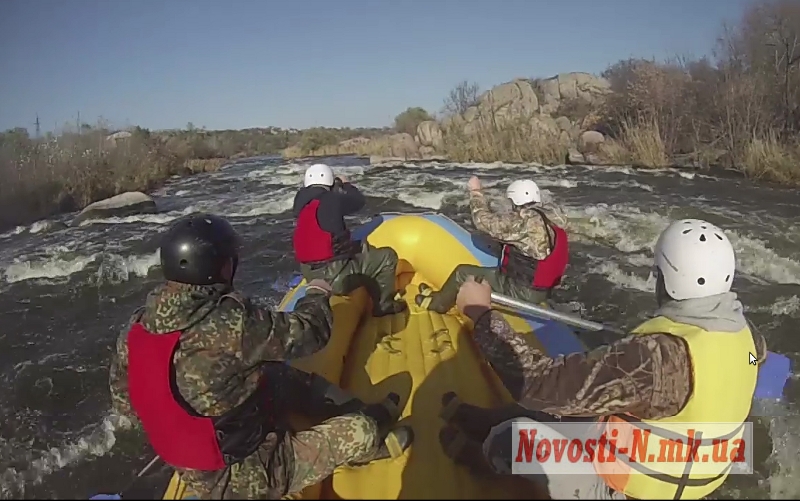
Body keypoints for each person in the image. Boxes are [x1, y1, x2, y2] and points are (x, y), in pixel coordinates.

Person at [438, 219, 766, 500]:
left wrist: (481, 316)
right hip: (681, 472)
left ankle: (479, 459)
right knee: (565, 409)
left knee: (515, 437)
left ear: (666, 279)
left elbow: (536, 383)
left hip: (628, 490)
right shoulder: (749, 337)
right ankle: (483, 421)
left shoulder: (655, 358)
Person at [108, 213, 413, 499]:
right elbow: (310, 333)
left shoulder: (134, 328)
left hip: (200, 457)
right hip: (245, 476)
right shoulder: (231, 323)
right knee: (361, 432)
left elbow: (126, 403)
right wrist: (317, 292)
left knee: (275, 374)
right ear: (220, 267)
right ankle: (370, 430)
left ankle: (353, 408)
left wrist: (208, 405)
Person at [416, 175, 569, 314]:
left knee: (461, 272)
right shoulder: (550, 216)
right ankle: (440, 295)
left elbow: (482, 221)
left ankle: (439, 304)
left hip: (523, 291)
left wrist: (476, 192)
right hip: (541, 288)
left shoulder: (523, 223)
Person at [292, 163, 406, 317]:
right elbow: (358, 201)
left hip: (308, 272)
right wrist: (346, 184)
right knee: (387, 257)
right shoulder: (331, 199)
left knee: (360, 248)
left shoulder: (300, 202)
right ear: (330, 183)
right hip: (335, 275)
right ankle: (384, 305)